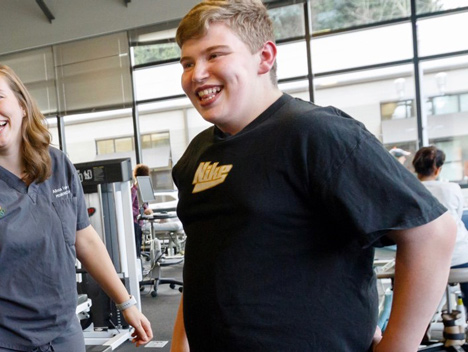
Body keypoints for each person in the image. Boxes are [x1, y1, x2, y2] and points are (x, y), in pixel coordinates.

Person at [169, 1, 456, 351]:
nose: (197, 74)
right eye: (187, 62)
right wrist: (179, 344)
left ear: (264, 58)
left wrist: (397, 346)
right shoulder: (198, 154)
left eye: (214, 55)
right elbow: (206, 258)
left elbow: (432, 233)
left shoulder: (316, 134)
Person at [0, 62, 152, 352]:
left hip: (62, 331)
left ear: (21, 105)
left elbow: (84, 238)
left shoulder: (57, 164)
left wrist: (126, 302)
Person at [413, 146, 468, 296]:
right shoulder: (452, 188)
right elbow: (456, 215)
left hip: (425, 261)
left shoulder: (409, 189)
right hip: (460, 256)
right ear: (437, 169)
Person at [131, 164, 154, 256]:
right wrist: (140, 212)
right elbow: (129, 208)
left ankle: (140, 263)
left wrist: (147, 210)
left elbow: (144, 204)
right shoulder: (133, 190)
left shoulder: (143, 190)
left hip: (139, 222)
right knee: (136, 246)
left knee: (139, 245)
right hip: (134, 222)